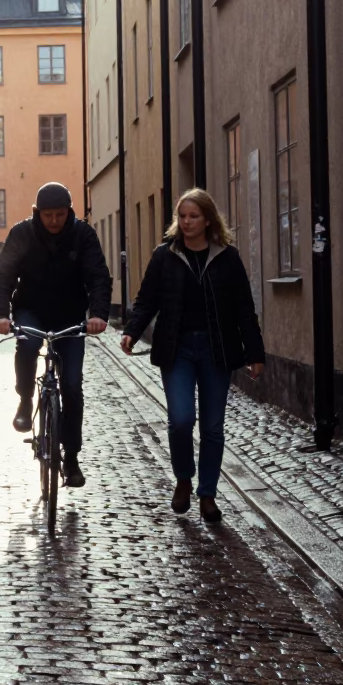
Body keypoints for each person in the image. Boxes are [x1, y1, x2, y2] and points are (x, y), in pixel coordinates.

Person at [120, 188, 265, 523]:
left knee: (213, 427)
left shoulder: (227, 257)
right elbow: (147, 300)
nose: (186, 222)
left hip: (217, 350)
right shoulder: (164, 255)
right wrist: (131, 330)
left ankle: (208, 495)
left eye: (193, 216)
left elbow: (244, 308)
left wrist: (254, 352)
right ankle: (184, 478)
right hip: (177, 349)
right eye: (182, 216)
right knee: (181, 420)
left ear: (208, 219)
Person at [0, 182, 112, 488]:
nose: (54, 221)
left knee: (71, 384)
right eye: (48, 215)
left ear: (69, 211)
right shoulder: (22, 234)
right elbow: (3, 275)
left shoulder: (83, 235)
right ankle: (25, 400)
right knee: (28, 345)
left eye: (59, 214)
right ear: (37, 213)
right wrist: (1, 315)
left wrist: (98, 315)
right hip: (31, 309)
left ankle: (70, 457)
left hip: (70, 315)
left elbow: (98, 275)